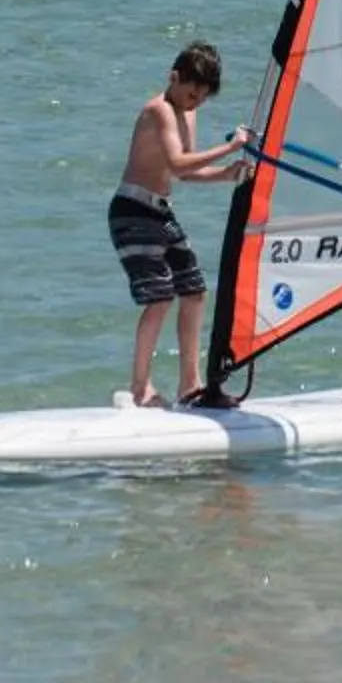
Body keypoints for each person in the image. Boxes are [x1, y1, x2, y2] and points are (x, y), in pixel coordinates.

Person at [112, 41, 255, 410]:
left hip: (160, 211)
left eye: (202, 98)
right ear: (173, 78)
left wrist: (228, 174)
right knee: (160, 297)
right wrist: (229, 148)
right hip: (131, 211)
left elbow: (187, 173)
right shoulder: (158, 110)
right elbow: (178, 163)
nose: (195, 102)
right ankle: (140, 388)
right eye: (191, 93)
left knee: (194, 291)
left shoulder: (187, 113)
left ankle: (190, 384)